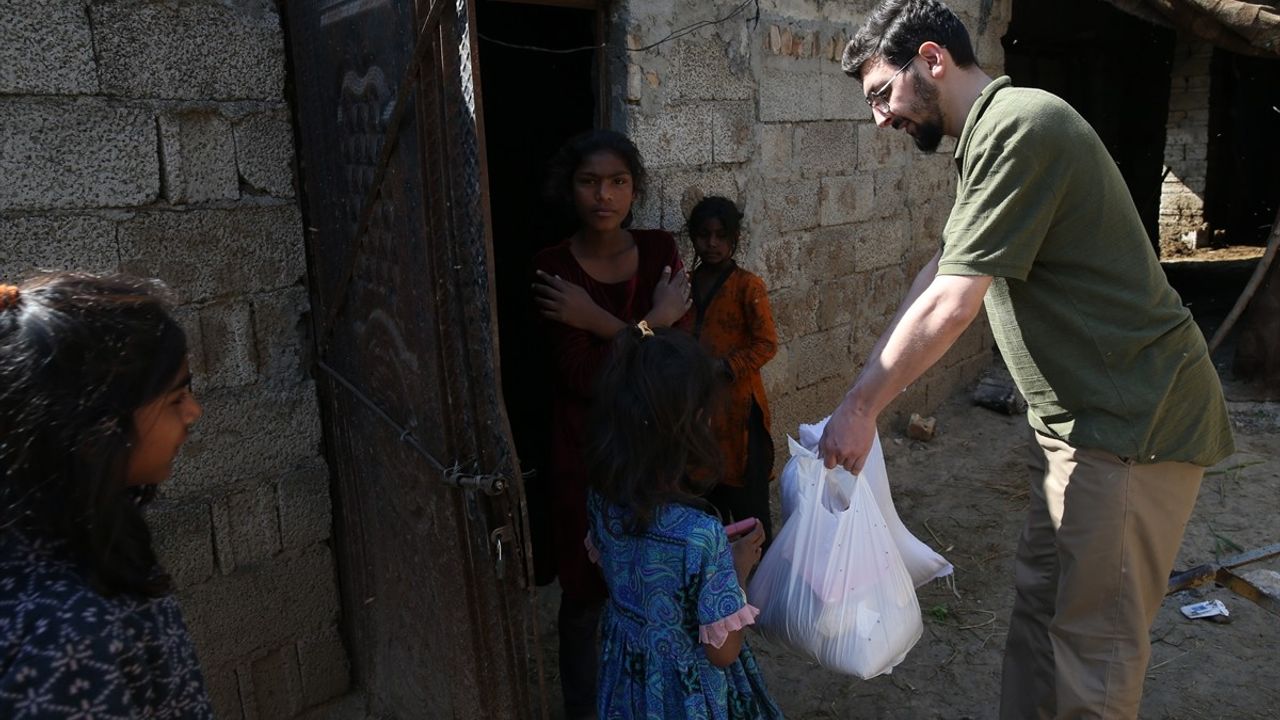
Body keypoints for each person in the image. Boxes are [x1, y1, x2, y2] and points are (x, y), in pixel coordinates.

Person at [823, 2, 1235, 718]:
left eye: (882, 95)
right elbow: (943, 268)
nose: (880, 119)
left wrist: (863, 407)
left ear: (932, 59)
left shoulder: (1020, 127)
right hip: (1076, 430)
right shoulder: (989, 137)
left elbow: (955, 301)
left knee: (1092, 657)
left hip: (1131, 425)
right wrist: (862, 388)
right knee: (1041, 625)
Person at [531, 129, 692, 719]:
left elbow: (677, 363)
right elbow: (584, 377)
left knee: (658, 582)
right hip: (582, 454)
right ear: (569, 189)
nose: (605, 194)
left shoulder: (658, 250)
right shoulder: (551, 268)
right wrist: (655, 320)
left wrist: (597, 318)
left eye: (618, 181)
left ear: (634, 189)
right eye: (589, 181)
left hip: (654, 448)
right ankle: (583, 709)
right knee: (584, 593)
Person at [0, 273, 212, 717]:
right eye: (175, 398)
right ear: (96, 430)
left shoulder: (76, 535)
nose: (193, 412)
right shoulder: (65, 639)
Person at [584, 325, 782, 719]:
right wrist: (737, 569)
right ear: (693, 424)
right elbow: (722, 652)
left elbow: (617, 566)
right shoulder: (700, 536)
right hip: (684, 693)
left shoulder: (601, 499)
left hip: (628, 677)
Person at [685, 197, 779, 547]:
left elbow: (767, 344)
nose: (712, 244)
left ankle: (759, 588)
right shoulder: (684, 285)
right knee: (704, 508)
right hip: (697, 415)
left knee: (750, 516)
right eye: (704, 235)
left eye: (721, 236)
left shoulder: (747, 286)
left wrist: (724, 368)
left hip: (739, 413)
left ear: (734, 239)